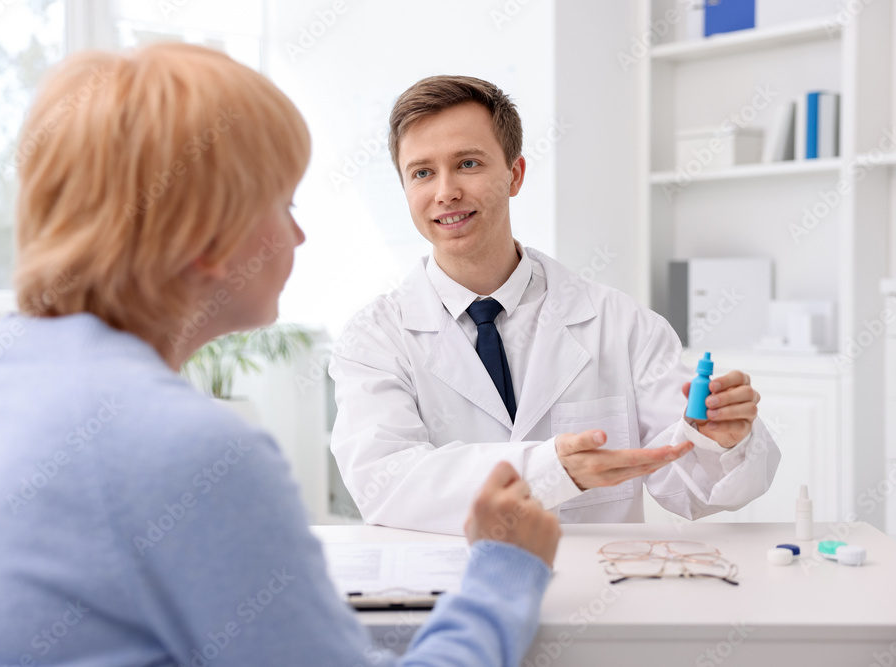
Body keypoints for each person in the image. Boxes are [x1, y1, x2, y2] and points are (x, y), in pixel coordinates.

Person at [0, 46, 561, 666]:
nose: (298, 235)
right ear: (207, 235)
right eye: (284, 205)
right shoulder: (192, 453)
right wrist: (504, 571)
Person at [329, 75, 781, 536]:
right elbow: (386, 483)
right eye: (422, 173)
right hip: (448, 578)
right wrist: (550, 469)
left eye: (467, 163)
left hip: (595, 577)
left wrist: (720, 443)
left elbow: (689, 486)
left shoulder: (620, 324)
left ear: (515, 175)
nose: (445, 192)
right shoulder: (374, 338)